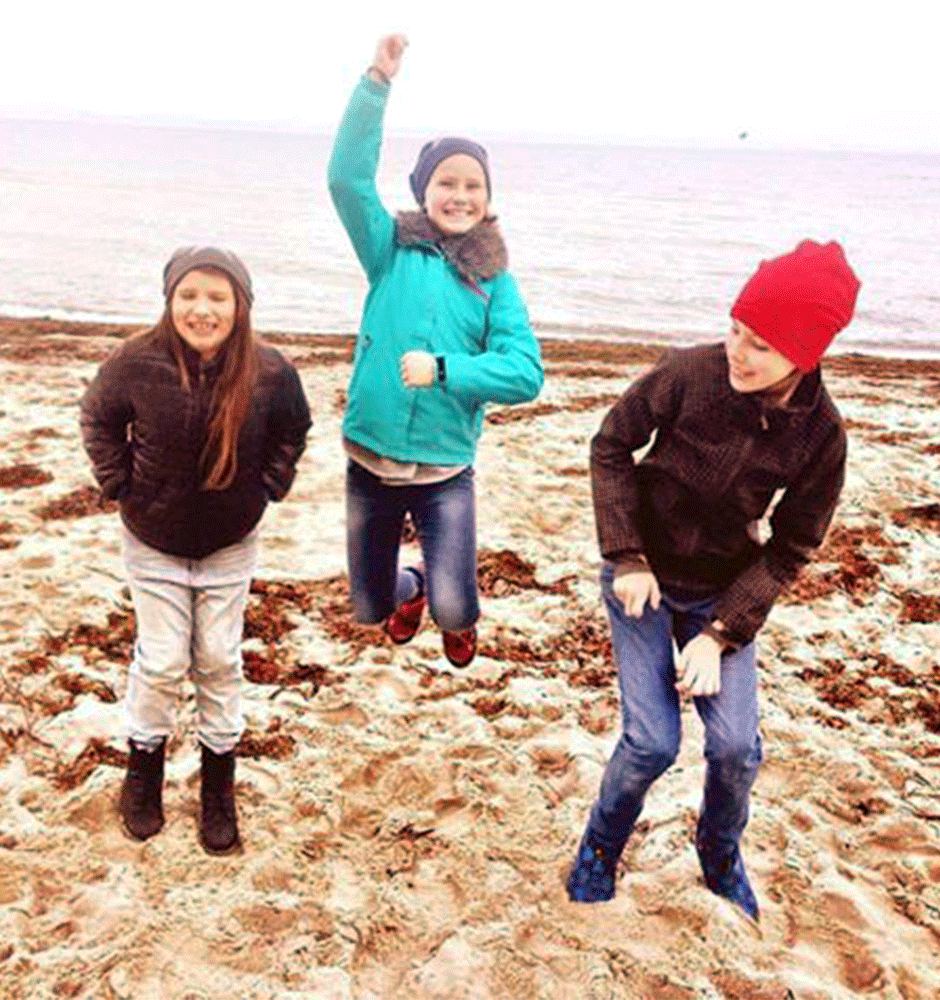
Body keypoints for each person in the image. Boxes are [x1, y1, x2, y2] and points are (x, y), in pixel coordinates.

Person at [568, 240, 861, 920]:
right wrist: (626, 555)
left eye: (760, 344)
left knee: (734, 748)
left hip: (721, 595)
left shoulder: (823, 435)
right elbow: (610, 446)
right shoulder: (686, 374)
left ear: (805, 353)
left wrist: (722, 632)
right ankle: (600, 848)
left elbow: (792, 547)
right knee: (652, 742)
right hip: (641, 578)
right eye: (734, 329)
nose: (738, 352)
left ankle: (720, 851)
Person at [80, 246, 311, 853]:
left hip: (230, 541)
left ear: (240, 305)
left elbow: (293, 427)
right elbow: (98, 418)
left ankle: (218, 785)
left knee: (218, 658)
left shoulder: (271, 370)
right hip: (152, 538)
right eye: (188, 295)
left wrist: (270, 484)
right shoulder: (134, 360)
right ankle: (143, 772)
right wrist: (119, 483)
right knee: (160, 660)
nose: (201, 310)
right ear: (169, 300)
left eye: (217, 297)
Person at [327, 34, 544, 668]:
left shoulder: (494, 281)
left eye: (474, 185)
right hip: (369, 458)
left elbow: (525, 373)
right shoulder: (388, 249)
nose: (460, 195)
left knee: (456, 609)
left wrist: (446, 370)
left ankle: (445, 602)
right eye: (447, 182)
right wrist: (376, 83)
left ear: (488, 199)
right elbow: (346, 179)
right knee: (370, 606)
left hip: (445, 469)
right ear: (425, 191)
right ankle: (412, 586)